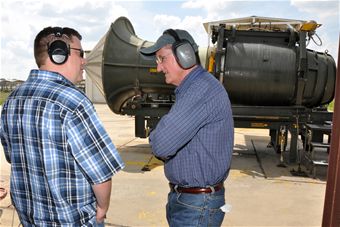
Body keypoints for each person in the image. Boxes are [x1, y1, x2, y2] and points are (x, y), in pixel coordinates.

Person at [0, 26, 124, 226]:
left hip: (29, 219)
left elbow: (12, 156)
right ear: (59, 54)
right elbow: (100, 174)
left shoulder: (12, 99)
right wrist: (101, 211)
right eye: (80, 53)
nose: (84, 61)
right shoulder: (74, 101)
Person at [139, 29, 234, 226]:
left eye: (161, 59)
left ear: (185, 55)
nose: (158, 68)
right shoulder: (193, 88)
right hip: (191, 201)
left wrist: (157, 136)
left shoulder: (200, 90)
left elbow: (161, 145)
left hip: (196, 205)